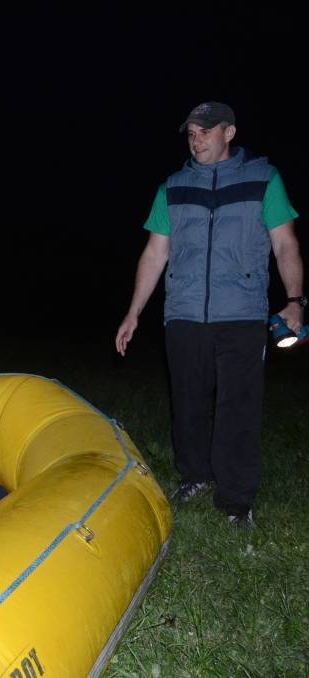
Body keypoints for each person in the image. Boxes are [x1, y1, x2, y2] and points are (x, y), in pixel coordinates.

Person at [115, 101, 303, 528]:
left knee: (239, 405)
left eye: (205, 131)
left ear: (228, 133)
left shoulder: (263, 179)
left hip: (242, 312)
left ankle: (237, 498)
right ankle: (195, 475)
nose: (196, 140)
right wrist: (133, 312)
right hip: (183, 311)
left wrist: (295, 300)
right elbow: (155, 253)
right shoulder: (173, 187)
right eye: (191, 133)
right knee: (187, 400)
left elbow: (285, 244)